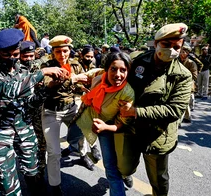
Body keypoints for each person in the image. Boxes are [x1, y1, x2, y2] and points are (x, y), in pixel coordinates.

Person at [0, 28, 68, 196]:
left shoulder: (24, 72)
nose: (12, 59)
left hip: (24, 129)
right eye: (7, 54)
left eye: (16, 54)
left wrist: (48, 89)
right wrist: (43, 72)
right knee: (9, 184)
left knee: (35, 175)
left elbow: (29, 104)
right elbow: (9, 89)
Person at [120, 23, 192, 196]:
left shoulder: (182, 75)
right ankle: (126, 175)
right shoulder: (138, 60)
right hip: (131, 128)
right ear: (156, 42)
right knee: (124, 167)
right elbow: (119, 79)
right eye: (166, 45)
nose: (171, 50)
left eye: (176, 47)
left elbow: (174, 110)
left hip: (158, 135)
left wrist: (136, 111)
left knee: (159, 180)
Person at [67, 52, 139, 195]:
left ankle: (124, 175)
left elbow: (124, 124)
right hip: (89, 117)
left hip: (112, 128)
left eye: (123, 70)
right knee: (72, 138)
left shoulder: (127, 93)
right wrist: (73, 78)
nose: (118, 75)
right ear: (106, 69)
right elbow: (84, 76)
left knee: (112, 168)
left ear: (128, 71)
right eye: (113, 69)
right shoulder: (99, 76)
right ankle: (88, 154)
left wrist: (105, 127)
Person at [41, 35, 90, 195]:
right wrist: (73, 79)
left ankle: (82, 155)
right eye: (58, 51)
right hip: (51, 112)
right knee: (54, 152)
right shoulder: (47, 66)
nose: (62, 55)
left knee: (83, 130)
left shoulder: (76, 65)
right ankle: (55, 185)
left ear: (70, 50)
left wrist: (84, 86)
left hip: (70, 107)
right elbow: (49, 86)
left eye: (65, 51)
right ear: (52, 52)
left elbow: (79, 86)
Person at [19, 40, 47, 175]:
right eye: (26, 56)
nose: (29, 59)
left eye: (31, 56)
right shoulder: (15, 69)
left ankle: (40, 168)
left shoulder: (38, 66)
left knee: (41, 140)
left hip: (37, 109)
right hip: (22, 112)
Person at [179, 43, 198, 123]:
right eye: (181, 51)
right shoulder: (177, 61)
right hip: (178, 84)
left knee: (184, 101)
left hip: (188, 84)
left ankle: (180, 120)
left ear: (187, 53)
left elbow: (194, 75)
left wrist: (185, 78)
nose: (181, 53)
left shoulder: (191, 63)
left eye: (184, 52)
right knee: (183, 101)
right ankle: (187, 117)